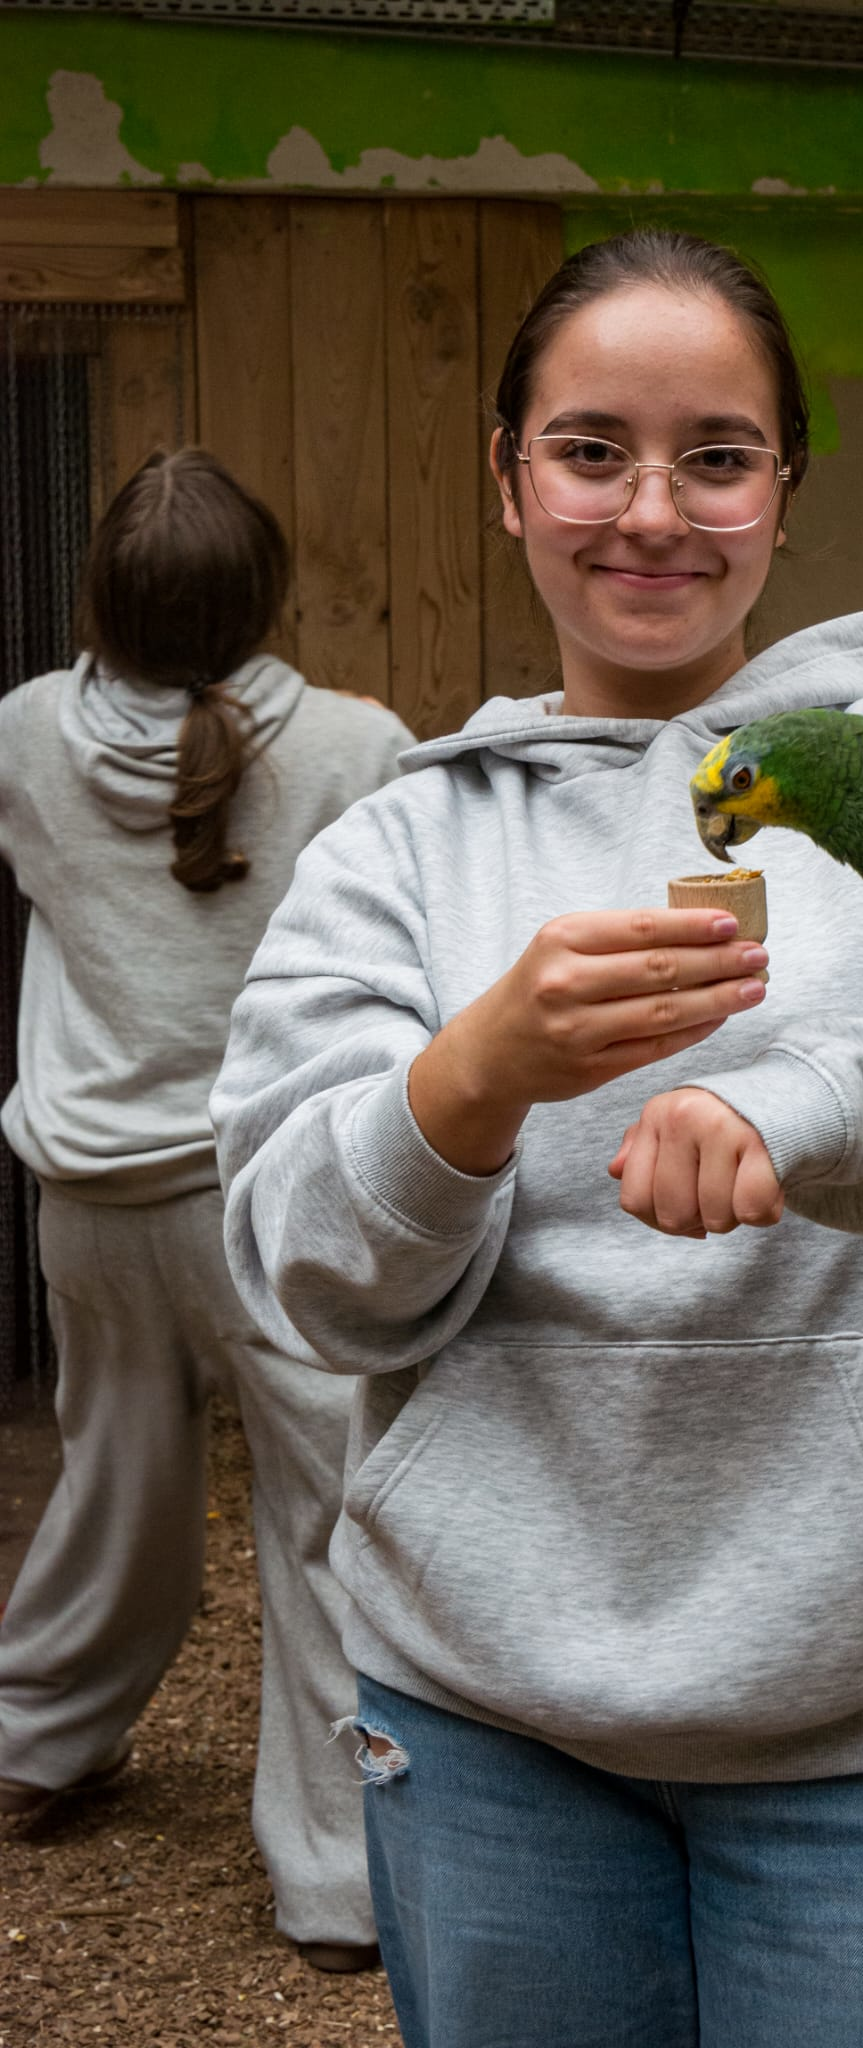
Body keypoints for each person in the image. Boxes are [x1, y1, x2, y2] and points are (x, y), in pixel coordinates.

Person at [212, 230, 863, 2046]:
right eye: (590, 451)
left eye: (716, 455)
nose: (653, 511)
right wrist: (471, 1081)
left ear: (786, 490)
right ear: (510, 479)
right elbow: (302, 1282)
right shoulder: (398, 849)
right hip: (484, 1724)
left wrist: (819, 1099)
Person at [0, 448, 416, 1975]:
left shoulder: (18, 735)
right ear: (267, 597)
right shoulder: (360, 746)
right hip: (270, 1211)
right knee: (327, 1525)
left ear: (98, 599)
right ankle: (340, 1887)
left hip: (90, 1202)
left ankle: (31, 1744)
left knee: (116, 1485)